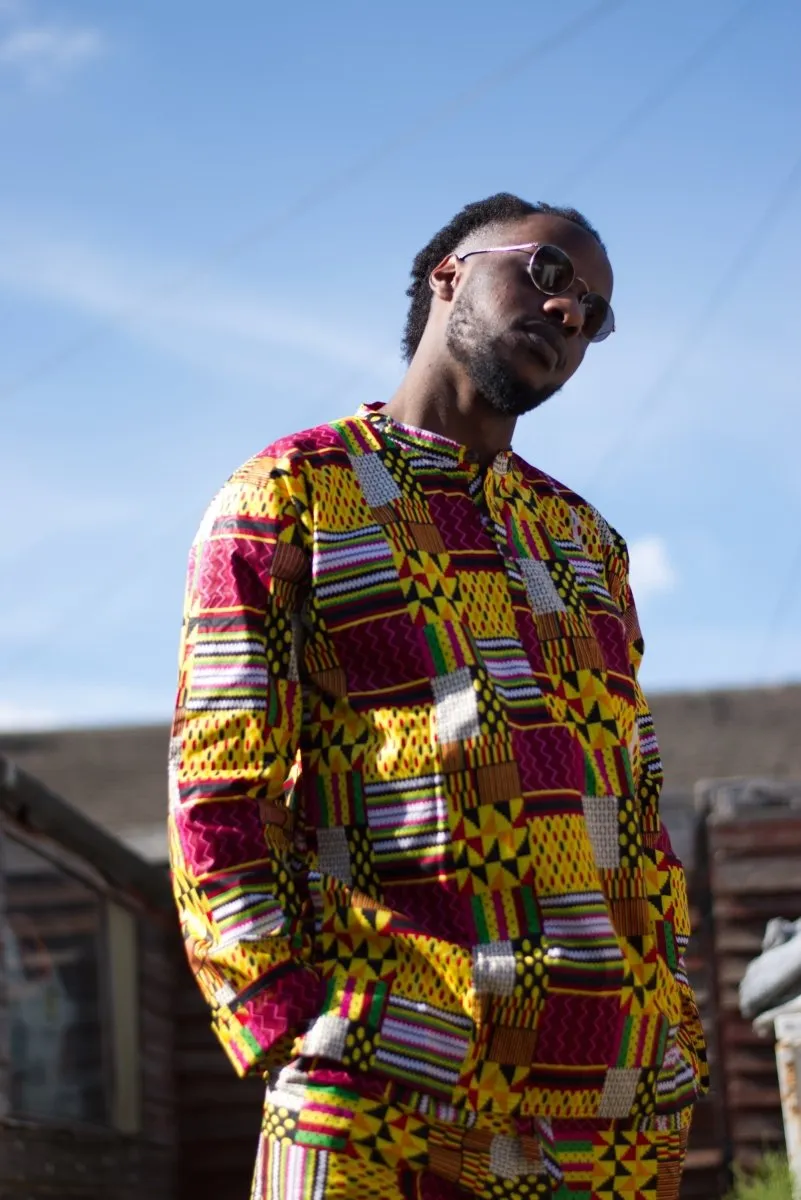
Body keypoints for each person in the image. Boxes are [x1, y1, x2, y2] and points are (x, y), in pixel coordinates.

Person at [168, 192, 708, 1199]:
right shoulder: (288, 496)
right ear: (448, 275)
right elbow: (220, 798)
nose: (570, 315)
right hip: (387, 1083)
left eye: (596, 310)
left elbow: (636, 800)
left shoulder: (588, 543)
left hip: (619, 1104)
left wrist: (674, 1020)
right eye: (550, 273)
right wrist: (287, 1019)